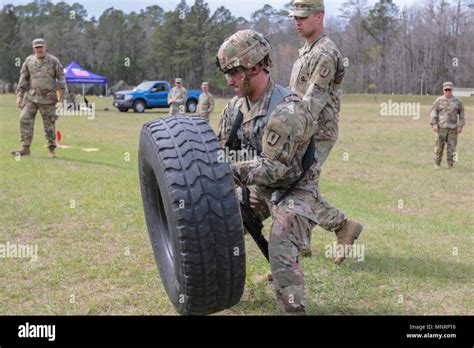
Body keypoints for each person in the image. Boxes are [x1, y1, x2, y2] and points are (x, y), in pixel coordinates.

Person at [216, 29, 362, 315]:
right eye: (226, 73)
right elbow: (222, 150)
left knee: (281, 243)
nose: (228, 80)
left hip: (296, 187)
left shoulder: (286, 110)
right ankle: (218, 289)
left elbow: (272, 170)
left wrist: (224, 170)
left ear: (255, 67)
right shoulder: (235, 108)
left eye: (234, 72)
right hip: (261, 187)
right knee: (221, 224)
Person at [11, 38, 67, 158]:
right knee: (24, 119)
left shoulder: (53, 61)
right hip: (32, 97)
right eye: (37, 47)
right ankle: (25, 148)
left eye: (41, 47)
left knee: (49, 125)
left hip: (48, 99)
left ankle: (51, 150)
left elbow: (62, 81)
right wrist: (19, 96)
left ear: (45, 47)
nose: (39, 49)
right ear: (33, 48)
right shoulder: (29, 61)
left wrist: (62, 100)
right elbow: (23, 79)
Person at [430, 82, 466, 169]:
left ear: (452, 90)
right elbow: (434, 112)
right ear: (443, 90)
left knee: (452, 148)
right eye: (446, 90)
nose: (448, 91)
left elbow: (462, 114)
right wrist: (434, 124)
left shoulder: (458, 101)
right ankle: (437, 164)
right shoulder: (438, 100)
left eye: (449, 89)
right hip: (441, 128)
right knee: (439, 147)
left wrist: (460, 126)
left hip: (453, 129)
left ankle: (451, 164)